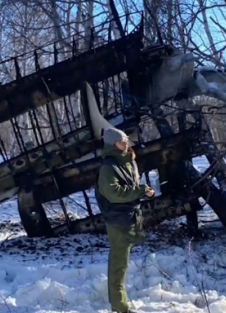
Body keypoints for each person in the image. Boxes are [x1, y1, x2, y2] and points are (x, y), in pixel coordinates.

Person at [94, 127, 154, 313]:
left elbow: (130, 187)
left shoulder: (127, 162)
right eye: (121, 141)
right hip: (117, 220)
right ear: (113, 145)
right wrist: (140, 190)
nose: (126, 144)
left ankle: (119, 304)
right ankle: (120, 308)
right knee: (118, 265)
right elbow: (114, 193)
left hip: (128, 217)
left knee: (123, 263)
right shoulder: (108, 167)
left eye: (126, 140)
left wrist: (144, 192)